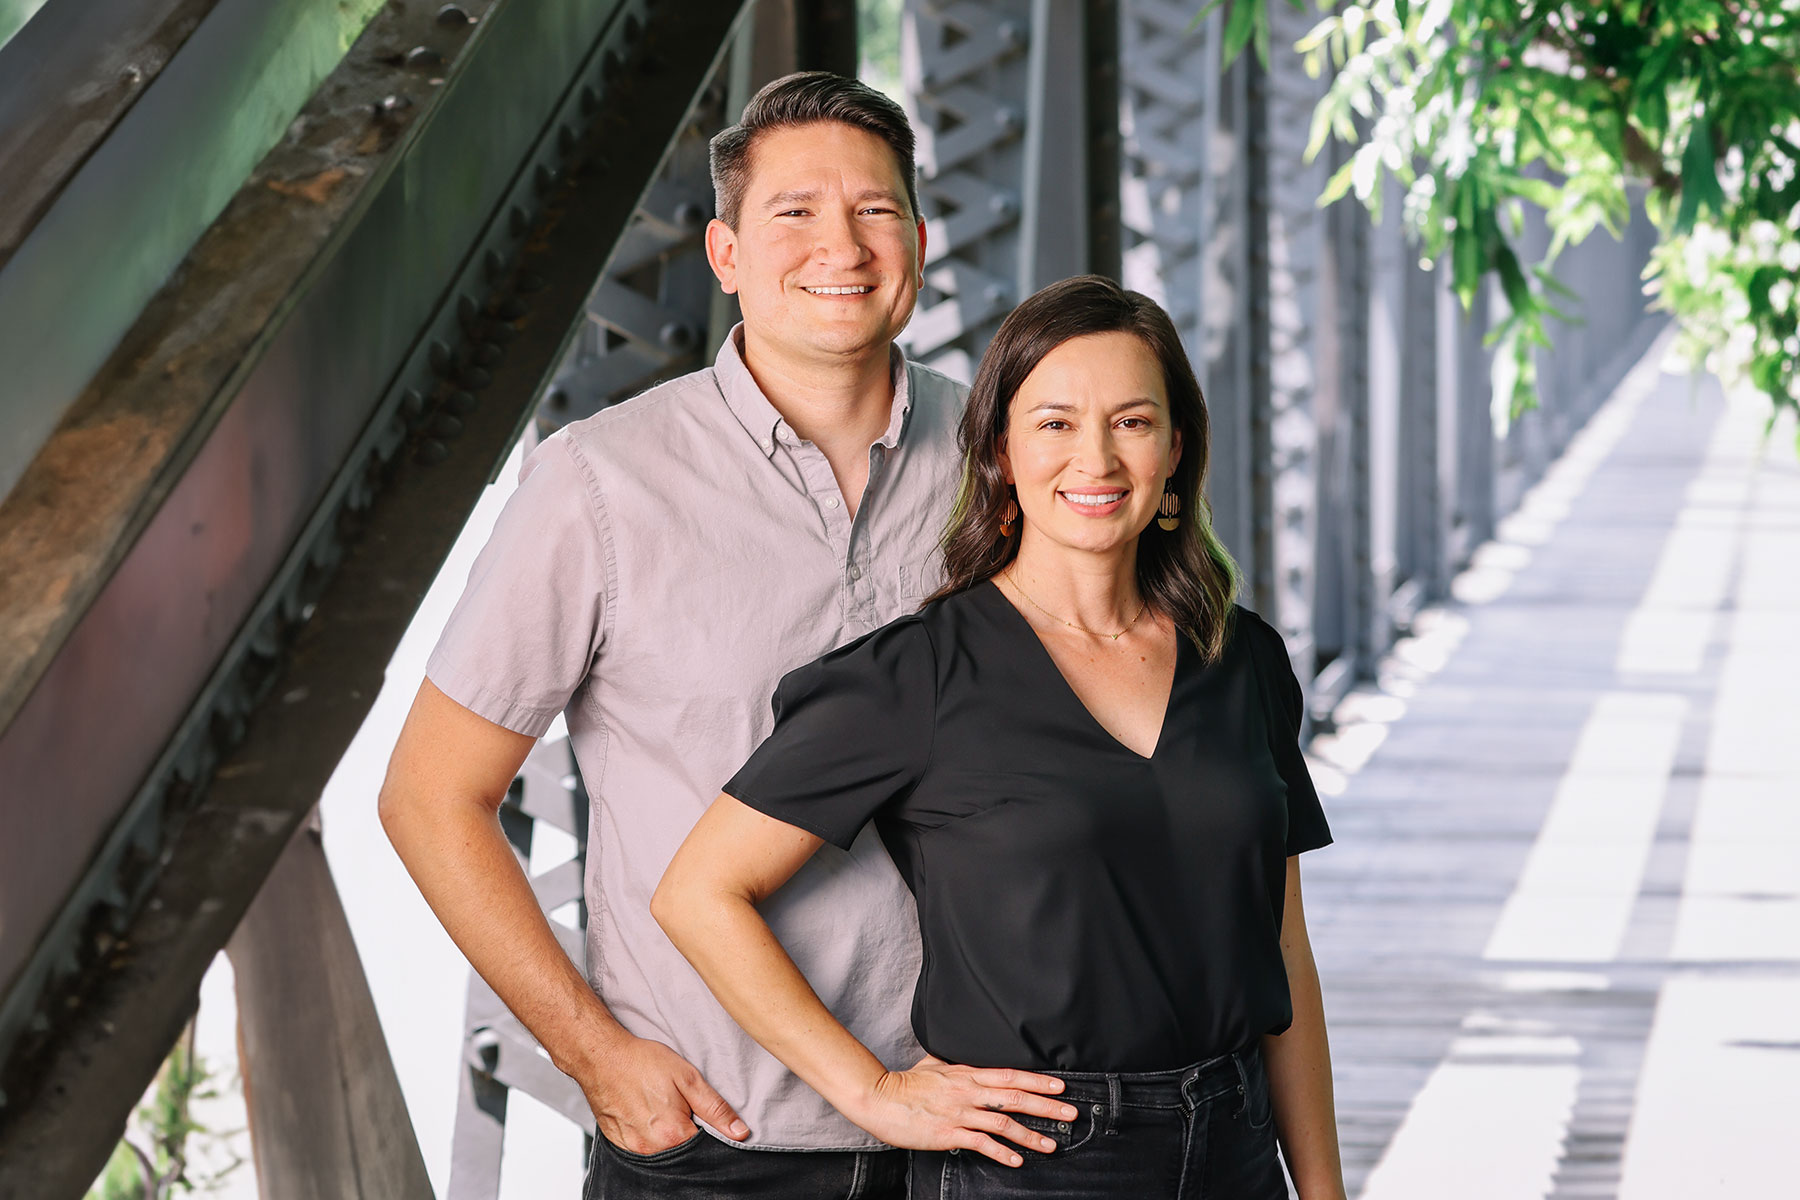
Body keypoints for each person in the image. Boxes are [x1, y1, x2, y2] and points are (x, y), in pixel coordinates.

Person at [378, 71, 1028, 1199]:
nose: (843, 244)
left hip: (985, 1128)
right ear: (724, 256)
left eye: (875, 211)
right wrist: (597, 1058)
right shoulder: (599, 485)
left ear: (919, 243)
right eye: (794, 213)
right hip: (718, 1149)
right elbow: (429, 798)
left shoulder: (1010, 462)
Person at [653, 275, 1349, 1199]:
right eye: (1055, 423)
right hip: (1035, 1168)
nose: (1095, 459)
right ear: (1000, 453)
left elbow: (1284, 949)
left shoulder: (1243, 658)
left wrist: (1324, 1188)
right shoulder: (919, 675)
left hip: (1237, 1144)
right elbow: (699, 893)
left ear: (1176, 452)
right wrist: (875, 1094)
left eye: (1132, 423)